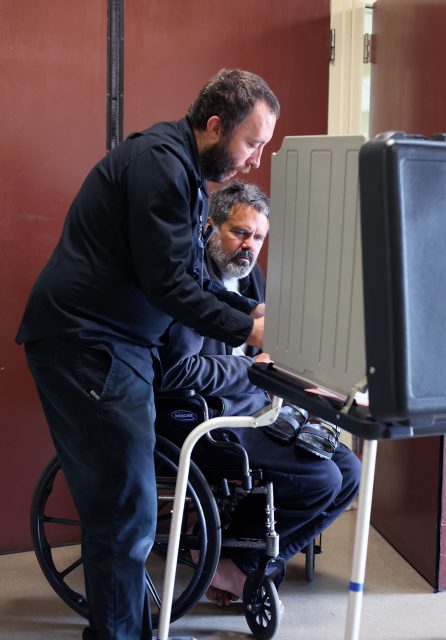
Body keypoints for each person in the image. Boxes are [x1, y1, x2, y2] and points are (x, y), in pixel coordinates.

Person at [16, 69, 280, 640]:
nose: (256, 160)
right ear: (216, 127)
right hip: (91, 345)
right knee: (124, 515)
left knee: (124, 515)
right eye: (253, 143)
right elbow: (170, 287)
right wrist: (247, 328)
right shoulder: (163, 165)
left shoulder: (179, 169)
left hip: (107, 344)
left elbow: (186, 275)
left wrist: (253, 317)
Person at [154, 180, 361, 606]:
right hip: (204, 416)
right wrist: (250, 369)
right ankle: (229, 552)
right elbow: (178, 371)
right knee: (321, 478)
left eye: (259, 237)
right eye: (240, 232)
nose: (249, 246)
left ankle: (244, 563)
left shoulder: (251, 281)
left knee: (350, 472)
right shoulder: (191, 281)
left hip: (258, 407)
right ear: (210, 226)